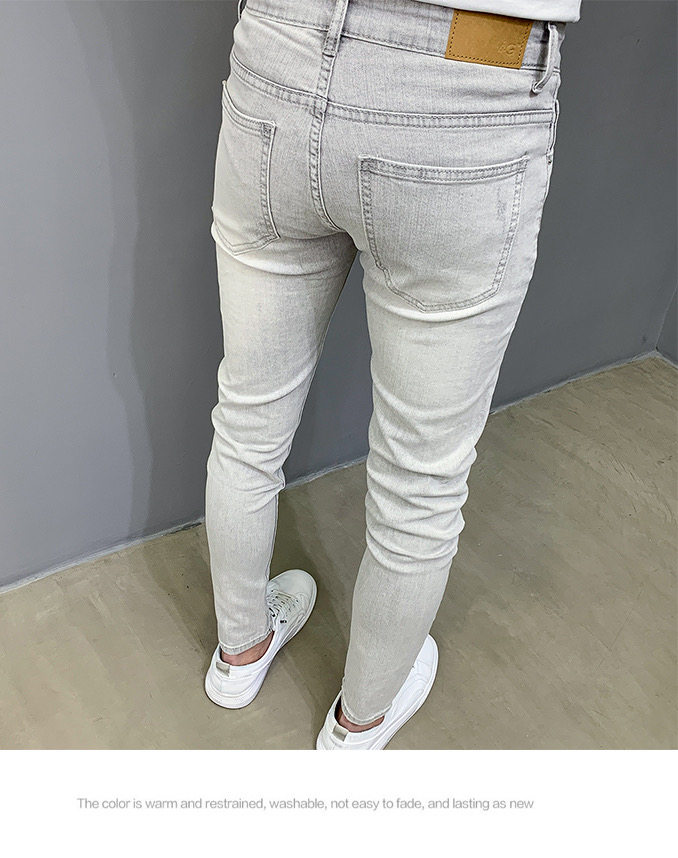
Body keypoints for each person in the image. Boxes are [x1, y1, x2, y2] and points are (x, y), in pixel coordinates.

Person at [203, 0, 581, 750]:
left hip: (281, 46)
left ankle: (238, 654)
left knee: (247, 420)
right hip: (469, 74)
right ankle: (360, 720)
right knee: (420, 478)